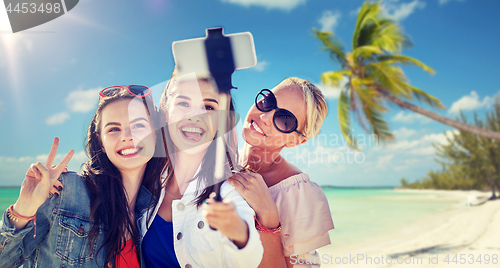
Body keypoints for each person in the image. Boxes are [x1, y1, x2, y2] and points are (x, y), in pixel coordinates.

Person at [0, 86, 165, 268]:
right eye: (113, 129)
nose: (127, 136)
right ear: (101, 142)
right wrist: (24, 208)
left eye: (138, 125)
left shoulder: (157, 209)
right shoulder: (64, 191)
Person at [140, 72, 263, 268]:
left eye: (208, 107)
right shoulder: (144, 178)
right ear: (165, 112)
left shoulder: (228, 190)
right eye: (184, 103)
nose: (195, 116)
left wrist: (240, 233)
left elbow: (249, 259)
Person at [227, 78, 334, 268]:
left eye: (285, 120)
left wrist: (268, 217)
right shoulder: (222, 158)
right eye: (267, 101)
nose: (265, 117)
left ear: (296, 141)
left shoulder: (300, 195)